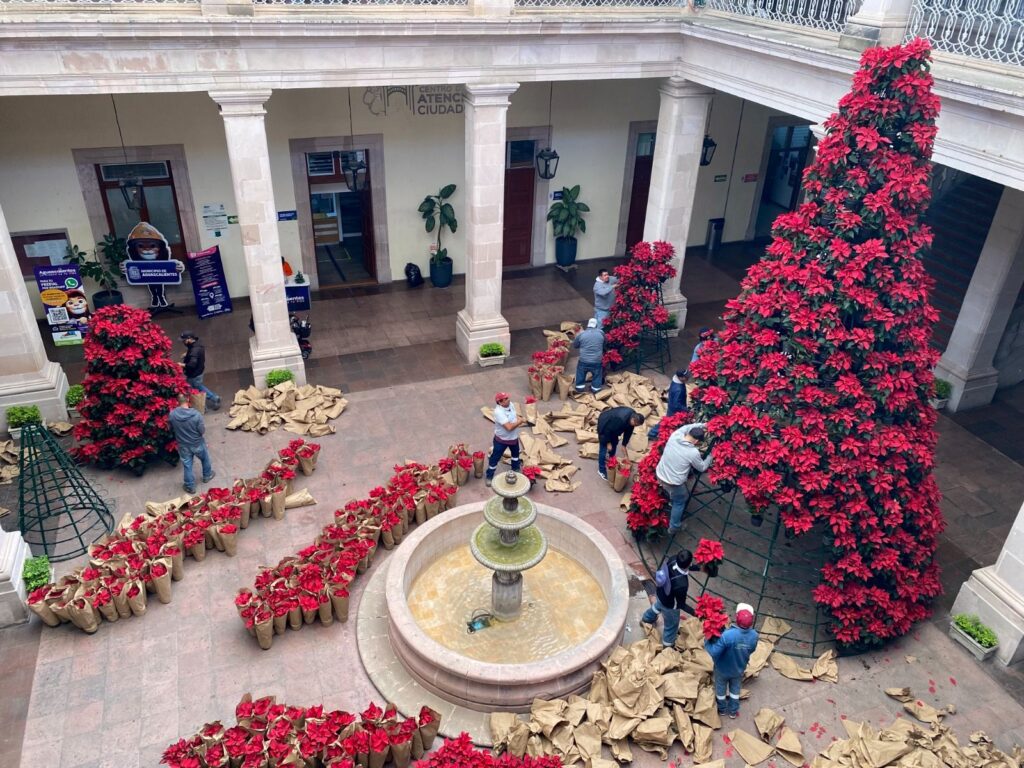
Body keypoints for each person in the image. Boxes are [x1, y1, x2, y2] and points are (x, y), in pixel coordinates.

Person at [705, 602, 759, 719]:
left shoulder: (727, 635)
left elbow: (714, 652)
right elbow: (752, 649)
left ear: (736, 618)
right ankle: (733, 712)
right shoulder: (754, 635)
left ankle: (722, 709)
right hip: (739, 669)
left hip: (722, 669)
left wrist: (707, 640)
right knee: (735, 690)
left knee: (720, 690)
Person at [655, 423, 712, 532]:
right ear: (696, 441)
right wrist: (710, 456)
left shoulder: (675, 435)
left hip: (660, 474)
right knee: (680, 501)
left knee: (672, 493)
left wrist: (704, 425)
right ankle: (674, 527)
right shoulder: (693, 452)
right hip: (673, 483)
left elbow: (687, 427)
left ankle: (670, 500)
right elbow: (702, 467)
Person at [641, 549, 696, 649]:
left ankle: (646, 618)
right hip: (670, 605)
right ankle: (668, 645)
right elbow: (681, 604)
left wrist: (698, 568)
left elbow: (686, 566)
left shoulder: (673, 559)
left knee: (657, 606)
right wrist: (695, 613)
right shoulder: (682, 584)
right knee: (671, 625)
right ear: (688, 564)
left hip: (660, 592)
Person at [169, 393, 216, 494]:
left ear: (178, 402)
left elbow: (171, 429)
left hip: (183, 445)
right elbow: (201, 430)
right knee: (205, 458)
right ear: (188, 400)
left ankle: (190, 486)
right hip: (197, 443)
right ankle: (207, 475)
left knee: (187, 465)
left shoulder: (172, 415)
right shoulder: (196, 415)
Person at [486, 392, 525, 487]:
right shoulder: (498, 412)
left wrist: (518, 418)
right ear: (500, 402)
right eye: (506, 399)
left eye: (507, 397)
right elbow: (509, 427)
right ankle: (489, 476)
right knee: (495, 458)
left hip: (513, 438)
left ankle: (515, 469)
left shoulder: (510, 405)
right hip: (501, 440)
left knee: (515, 455)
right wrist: (520, 421)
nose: (508, 399)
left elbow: (514, 415)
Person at [596, 406, 644, 480]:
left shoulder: (632, 418)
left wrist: (624, 445)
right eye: (635, 424)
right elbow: (608, 429)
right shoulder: (620, 420)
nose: (635, 426)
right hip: (605, 424)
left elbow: (628, 433)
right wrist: (608, 443)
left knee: (614, 444)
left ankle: (611, 461)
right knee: (603, 448)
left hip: (613, 427)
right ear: (633, 419)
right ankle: (601, 470)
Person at [180, 331, 221, 411]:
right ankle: (202, 405)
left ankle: (214, 398)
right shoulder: (197, 344)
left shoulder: (194, 350)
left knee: (197, 387)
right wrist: (187, 354)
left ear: (189, 339)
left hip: (194, 374)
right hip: (198, 371)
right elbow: (194, 352)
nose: (183, 342)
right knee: (195, 387)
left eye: (184, 340)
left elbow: (192, 364)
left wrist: (181, 365)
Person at [649, 368, 689, 440]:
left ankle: (653, 432)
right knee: (666, 421)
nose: (687, 378)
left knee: (667, 420)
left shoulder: (676, 380)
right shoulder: (678, 390)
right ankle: (652, 433)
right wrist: (685, 409)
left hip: (672, 404)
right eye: (685, 377)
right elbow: (676, 404)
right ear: (680, 377)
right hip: (674, 409)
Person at [573, 318, 605, 393]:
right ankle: (596, 389)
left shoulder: (581, 334)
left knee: (581, 373)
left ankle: (579, 388)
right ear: (596, 325)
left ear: (588, 325)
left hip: (583, 361)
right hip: (596, 361)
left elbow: (575, 345)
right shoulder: (601, 333)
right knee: (597, 375)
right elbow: (605, 342)